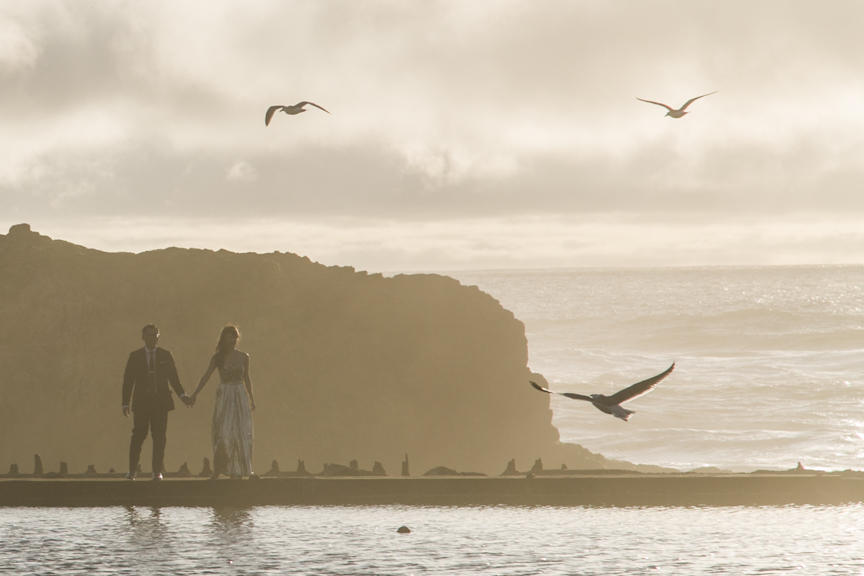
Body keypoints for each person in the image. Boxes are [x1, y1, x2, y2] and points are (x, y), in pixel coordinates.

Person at [122, 324, 192, 480]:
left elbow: (174, 378)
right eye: (149, 335)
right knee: (138, 436)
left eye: (155, 335)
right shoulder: (135, 356)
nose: (152, 338)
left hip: (160, 403)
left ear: (158, 337)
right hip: (142, 402)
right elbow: (128, 381)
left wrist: (183, 396)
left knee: (159, 437)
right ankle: (132, 471)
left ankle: (156, 471)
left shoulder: (165, 355)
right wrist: (125, 403)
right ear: (143, 337)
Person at [191, 325, 256, 479]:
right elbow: (206, 375)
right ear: (223, 339)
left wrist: (251, 398)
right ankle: (218, 469)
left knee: (241, 432)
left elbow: (247, 378)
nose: (231, 340)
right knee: (223, 432)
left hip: (239, 395)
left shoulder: (244, 356)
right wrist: (195, 393)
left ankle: (241, 469)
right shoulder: (217, 357)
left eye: (234, 337)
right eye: (228, 337)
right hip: (225, 394)